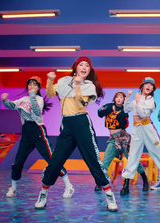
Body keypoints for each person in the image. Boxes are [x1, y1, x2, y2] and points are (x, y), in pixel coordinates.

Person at [34, 57, 118, 212]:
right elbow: (52, 94)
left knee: (93, 160)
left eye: (87, 65)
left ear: (89, 71)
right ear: (75, 67)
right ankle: (43, 194)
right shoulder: (65, 80)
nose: (84, 67)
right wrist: (50, 80)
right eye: (81, 64)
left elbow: (81, 104)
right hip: (66, 124)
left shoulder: (89, 85)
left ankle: (109, 195)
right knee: (55, 162)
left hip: (82, 123)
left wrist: (78, 86)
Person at [1, 76, 74, 199]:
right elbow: (11, 106)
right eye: (30, 84)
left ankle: (69, 186)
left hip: (38, 130)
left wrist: (33, 96)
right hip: (26, 131)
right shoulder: (23, 99)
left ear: (39, 87)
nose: (32, 86)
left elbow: (35, 111)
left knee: (52, 159)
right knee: (18, 160)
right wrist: (4, 100)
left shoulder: (39, 99)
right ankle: (13, 188)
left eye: (34, 85)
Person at [121, 77, 160, 195]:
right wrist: (127, 97)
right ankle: (126, 184)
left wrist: (137, 101)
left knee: (159, 153)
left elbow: (142, 113)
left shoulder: (150, 100)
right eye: (146, 84)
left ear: (153, 89)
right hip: (136, 129)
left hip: (147, 129)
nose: (148, 86)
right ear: (142, 86)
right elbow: (126, 109)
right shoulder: (137, 98)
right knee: (133, 156)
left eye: (151, 85)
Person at [96, 91, 149, 193]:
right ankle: (100, 183)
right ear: (114, 99)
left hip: (124, 138)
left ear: (124, 100)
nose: (119, 99)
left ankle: (145, 180)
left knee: (133, 160)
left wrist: (124, 109)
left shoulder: (125, 109)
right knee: (105, 162)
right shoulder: (109, 106)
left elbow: (124, 124)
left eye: (121, 97)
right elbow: (99, 113)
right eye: (117, 97)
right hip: (112, 139)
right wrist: (109, 110)